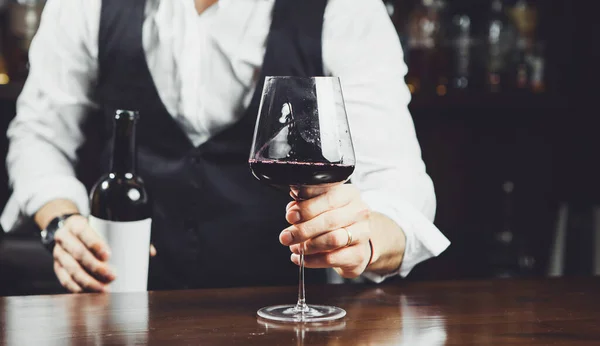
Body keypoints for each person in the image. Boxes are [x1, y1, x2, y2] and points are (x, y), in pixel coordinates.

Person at [1, 0, 450, 293]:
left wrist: (360, 239)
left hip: (282, 322)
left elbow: (400, 190)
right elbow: (39, 136)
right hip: (122, 309)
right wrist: (61, 220)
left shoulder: (346, 10)